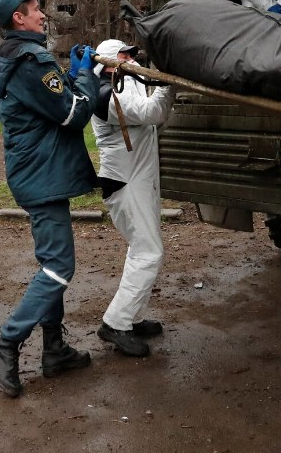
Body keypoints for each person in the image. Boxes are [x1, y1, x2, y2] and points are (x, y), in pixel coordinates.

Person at [0, 0, 101, 397]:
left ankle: (54, 351)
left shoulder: (20, 58)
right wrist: (87, 75)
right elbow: (72, 113)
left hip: (37, 171)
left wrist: (74, 75)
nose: (43, 14)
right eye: (36, 9)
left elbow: (52, 100)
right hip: (42, 175)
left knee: (53, 265)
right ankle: (7, 343)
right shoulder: (31, 59)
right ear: (19, 17)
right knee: (58, 268)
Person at [91, 39, 177, 357]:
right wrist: (171, 79)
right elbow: (153, 112)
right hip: (125, 185)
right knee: (149, 252)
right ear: (112, 60)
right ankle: (116, 323)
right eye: (126, 55)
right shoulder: (107, 94)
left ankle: (133, 316)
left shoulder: (125, 83)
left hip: (138, 182)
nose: (132, 59)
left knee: (141, 250)